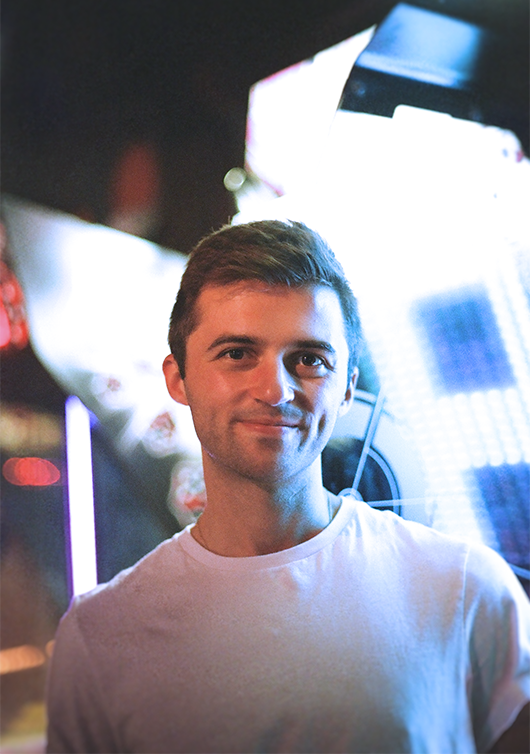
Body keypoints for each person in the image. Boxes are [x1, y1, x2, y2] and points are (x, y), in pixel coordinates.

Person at [46, 219, 530, 753]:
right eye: (236, 353)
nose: (275, 389)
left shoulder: (464, 590)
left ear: (348, 385)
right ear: (178, 378)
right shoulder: (101, 636)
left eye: (309, 359)